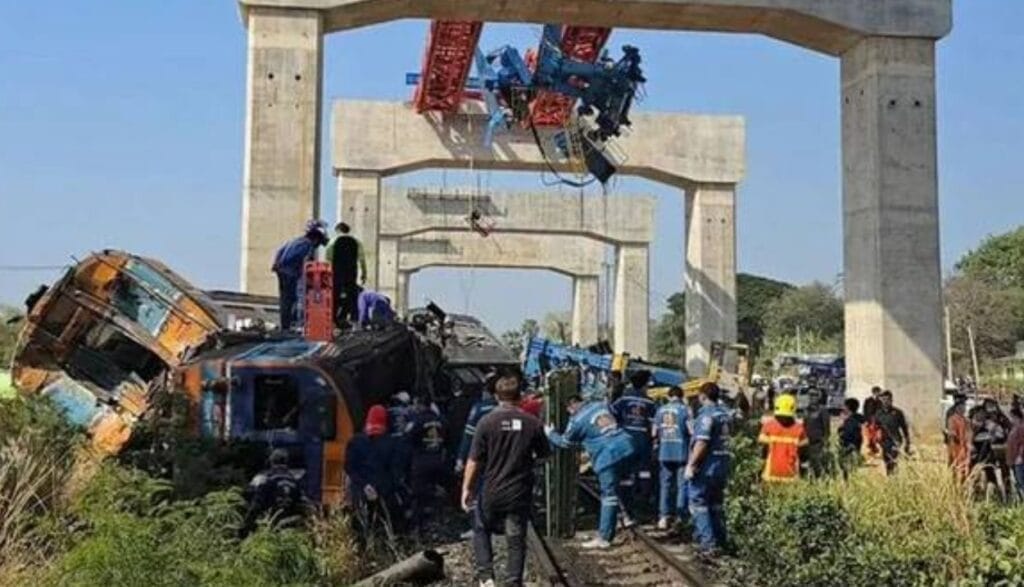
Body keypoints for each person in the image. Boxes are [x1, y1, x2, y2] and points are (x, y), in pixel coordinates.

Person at [462, 376, 550, 587]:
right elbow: (545, 456)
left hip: (491, 489)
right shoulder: (533, 423)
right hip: (519, 490)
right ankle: (513, 581)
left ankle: (487, 577)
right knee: (516, 537)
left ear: (496, 396)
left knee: (481, 527)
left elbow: (473, 460)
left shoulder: (486, 422)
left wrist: (467, 488)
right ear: (520, 397)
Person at [547, 395, 636, 549]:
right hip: (627, 444)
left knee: (608, 495)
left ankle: (605, 537)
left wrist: (550, 433)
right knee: (624, 483)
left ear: (571, 406)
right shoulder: (601, 405)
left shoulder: (576, 421)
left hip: (607, 454)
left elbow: (565, 443)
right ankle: (627, 516)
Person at [685, 383, 732, 556]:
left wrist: (691, 464)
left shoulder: (706, 416)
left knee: (698, 502)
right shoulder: (725, 414)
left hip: (707, 466)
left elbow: (702, 442)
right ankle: (720, 540)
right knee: (716, 504)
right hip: (723, 465)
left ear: (703, 396)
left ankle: (708, 543)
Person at [345, 405, 406, 528]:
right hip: (384, 494)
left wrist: (365, 485)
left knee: (361, 527)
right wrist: (379, 488)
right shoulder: (392, 443)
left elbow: (350, 467)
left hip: (360, 492)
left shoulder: (355, 441)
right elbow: (396, 471)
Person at [610, 370, 656, 519]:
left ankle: (626, 505)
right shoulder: (650, 402)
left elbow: (611, 414)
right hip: (643, 442)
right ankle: (643, 502)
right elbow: (654, 425)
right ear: (644, 384)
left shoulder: (623, 399)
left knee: (625, 475)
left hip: (625, 441)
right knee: (644, 472)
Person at [271, 220, 329, 330]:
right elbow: (307, 263)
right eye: (319, 243)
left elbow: (280, 251)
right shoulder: (308, 245)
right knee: (295, 298)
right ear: (316, 238)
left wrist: (276, 264)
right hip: (290, 272)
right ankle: (295, 324)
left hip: (281, 270)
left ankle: (285, 325)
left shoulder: (295, 241)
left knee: (285, 299)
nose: (318, 246)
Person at [242, 448, 307, 536]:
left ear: (271, 461)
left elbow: (255, 505)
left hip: (269, 528)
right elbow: (303, 505)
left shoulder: (265, 478)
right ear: (286, 462)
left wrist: (245, 525)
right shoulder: (295, 481)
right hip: (290, 529)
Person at [653, 386, 690, 530]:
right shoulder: (685, 410)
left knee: (665, 485)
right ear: (681, 396)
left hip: (665, 451)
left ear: (669, 396)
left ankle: (663, 517)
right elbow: (691, 430)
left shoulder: (660, 410)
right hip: (681, 452)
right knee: (682, 485)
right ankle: (680, 517)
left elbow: (654, 432)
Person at [408, 395, 447, 527]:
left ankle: (418, 526)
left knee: (418, 495)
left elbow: (407, 439)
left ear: (419, 405)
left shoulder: (417, 421)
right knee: (436, 491)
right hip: (438, 460)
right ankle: (438, 521)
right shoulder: (441, 420)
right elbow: (448, 438)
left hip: (421, 462)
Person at [757, 393, 808, 483]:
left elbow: (761, 442)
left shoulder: (769, 426)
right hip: (791, 475)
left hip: (771, 474)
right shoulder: (799, 428)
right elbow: (804, 446)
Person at [325, 222, 367, 326]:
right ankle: (354, 320)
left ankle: (333, 320)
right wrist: (364, 273)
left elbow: (328, 259)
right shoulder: (357, 242)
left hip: (337, 272)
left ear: (338, 230)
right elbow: (362, 259)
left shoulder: (333, 241)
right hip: (351, 272)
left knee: (334, 295)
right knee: (352, 295)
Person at [456, 387, 498, 474]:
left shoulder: (480, 408)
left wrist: (461, 457)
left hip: (484, 456)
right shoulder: (513, 408)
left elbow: (468, 435)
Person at [875, 390, 910, 475]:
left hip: (895, 440)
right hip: (884, 441)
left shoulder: (898, 412)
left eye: (887, 399)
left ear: (891, 400)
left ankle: (894, 477)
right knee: (886, 460)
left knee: (893, 459)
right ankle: (890, 476)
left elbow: (904, 427)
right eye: (883, 399)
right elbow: (875, 427)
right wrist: (876, 439)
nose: (885, 401)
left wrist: (907, 441)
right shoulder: (878, 413)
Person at [803, 388, 831, 477]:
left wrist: (825, 441)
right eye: (810, 395)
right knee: (808, 465)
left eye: (814, 395)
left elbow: (826, 427)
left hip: (818, 442)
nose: (812, 397)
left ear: (819, 397)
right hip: (807, 442)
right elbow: (804, 425)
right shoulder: (806, 410)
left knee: (818, 464)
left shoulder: (823, 410)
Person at [946, 395, 972, 483]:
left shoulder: (966, 420)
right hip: (956, 448)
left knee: (965, 470)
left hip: (965, 448)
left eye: (964, 406)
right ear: (957, 408)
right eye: (961, 406)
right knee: (956, 469)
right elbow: (952, 433)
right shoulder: (952, 418)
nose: (963, 409)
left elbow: (969, 433)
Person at [837, 398, 864, 479]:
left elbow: (850, 435)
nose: (843, 408)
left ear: (848, 407)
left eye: (844, 406)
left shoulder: (851, 421)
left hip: (849, 450)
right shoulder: (857, 419)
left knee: (848, 472)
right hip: (852, 449)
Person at [1006, 407, 1024, 502]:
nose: (1011, 419)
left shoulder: (1021, 427)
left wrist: (1020, 456)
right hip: (1014, 459)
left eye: (1012, 417)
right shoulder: (1014, 428)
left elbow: (1022, 443)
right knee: (1018, 481)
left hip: (1019, 460)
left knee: (1021, 481)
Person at [862, 386, 883, 456]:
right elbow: (865, 411)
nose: (879, 394)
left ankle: (874, 449)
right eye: (878, 392)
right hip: (869, 420)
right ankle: (872, 450)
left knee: (877, 437)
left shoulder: (880, 402)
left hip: (877, 421)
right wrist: (865, 420)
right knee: (870, 436)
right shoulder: (868, 400)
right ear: (874, 392)